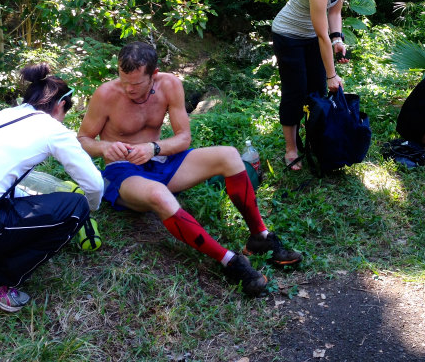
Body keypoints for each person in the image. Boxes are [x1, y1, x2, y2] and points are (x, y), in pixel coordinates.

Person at [77, 42, 302, 297]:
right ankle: (230, 262)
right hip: (124, 172)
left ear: (155, 73)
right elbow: (83, 140)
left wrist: (154, 148)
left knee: (229, 155)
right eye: (124, 80)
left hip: (161, 160)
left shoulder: (170, 85)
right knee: (160, 195)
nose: (129, 89)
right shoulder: (106, 94)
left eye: (137, 84)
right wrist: (105, 148)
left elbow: (183, 138)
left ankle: (260, 236)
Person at [0, 64, 104, 312]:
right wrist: (88, 211)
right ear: (60, 106)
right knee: (76, 206)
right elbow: (94, 184)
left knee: (16, 198)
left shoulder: (1, 117)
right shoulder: (51, 129)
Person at [271, 0, 362, 169]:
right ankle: (291, 150)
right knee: (295, 92)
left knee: (317, 90)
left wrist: (338, 39)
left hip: (311, 36)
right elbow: (322, 36)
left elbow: (335, 13)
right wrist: (332, 75)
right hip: (288, 36)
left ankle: (313, 138)